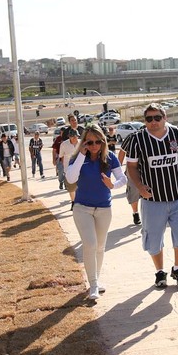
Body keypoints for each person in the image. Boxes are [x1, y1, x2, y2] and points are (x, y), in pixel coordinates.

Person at [122, 103, 178, 287]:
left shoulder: (177, 134)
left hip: (177, 197)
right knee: (153, 239)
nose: (153, 122)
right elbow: (132, 167)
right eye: (149, 119)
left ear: (165, 118)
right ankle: (160, 272)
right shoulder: (137, 139)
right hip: (152, 200)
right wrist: (140, 187)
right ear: (145, 121)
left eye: (157, 118)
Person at [65, 125, 127, 300]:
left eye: (97, 142)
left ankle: (96, 281)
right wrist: (82, 155)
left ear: (103, 141)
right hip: (82, 208)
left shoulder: (109, 157)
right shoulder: (78, 158)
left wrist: (112, 185)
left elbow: (123, 178)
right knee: (90, 244)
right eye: (89, 142)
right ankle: (92, 284)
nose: (94, 146)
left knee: (100, 246)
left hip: (104, 209)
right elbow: (70, 178)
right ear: (84, 142)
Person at [117, 137, 142, 225]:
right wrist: (118, 170)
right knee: (133, 191)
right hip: (132, 168)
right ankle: (135, 213)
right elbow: (122, 151)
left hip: (148, 169)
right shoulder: (132, 137)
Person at [60, 129, 80, 210]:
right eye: (73, 137)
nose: (75, 138)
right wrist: (64, 168)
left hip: (80, 169)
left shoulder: (81, 143)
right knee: (71, 188)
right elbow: (61, 156)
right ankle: (73, 202)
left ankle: (80, 202)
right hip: (68, 170)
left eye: (76, 136)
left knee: (80, 187)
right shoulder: (64, 145)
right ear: (70, 137)